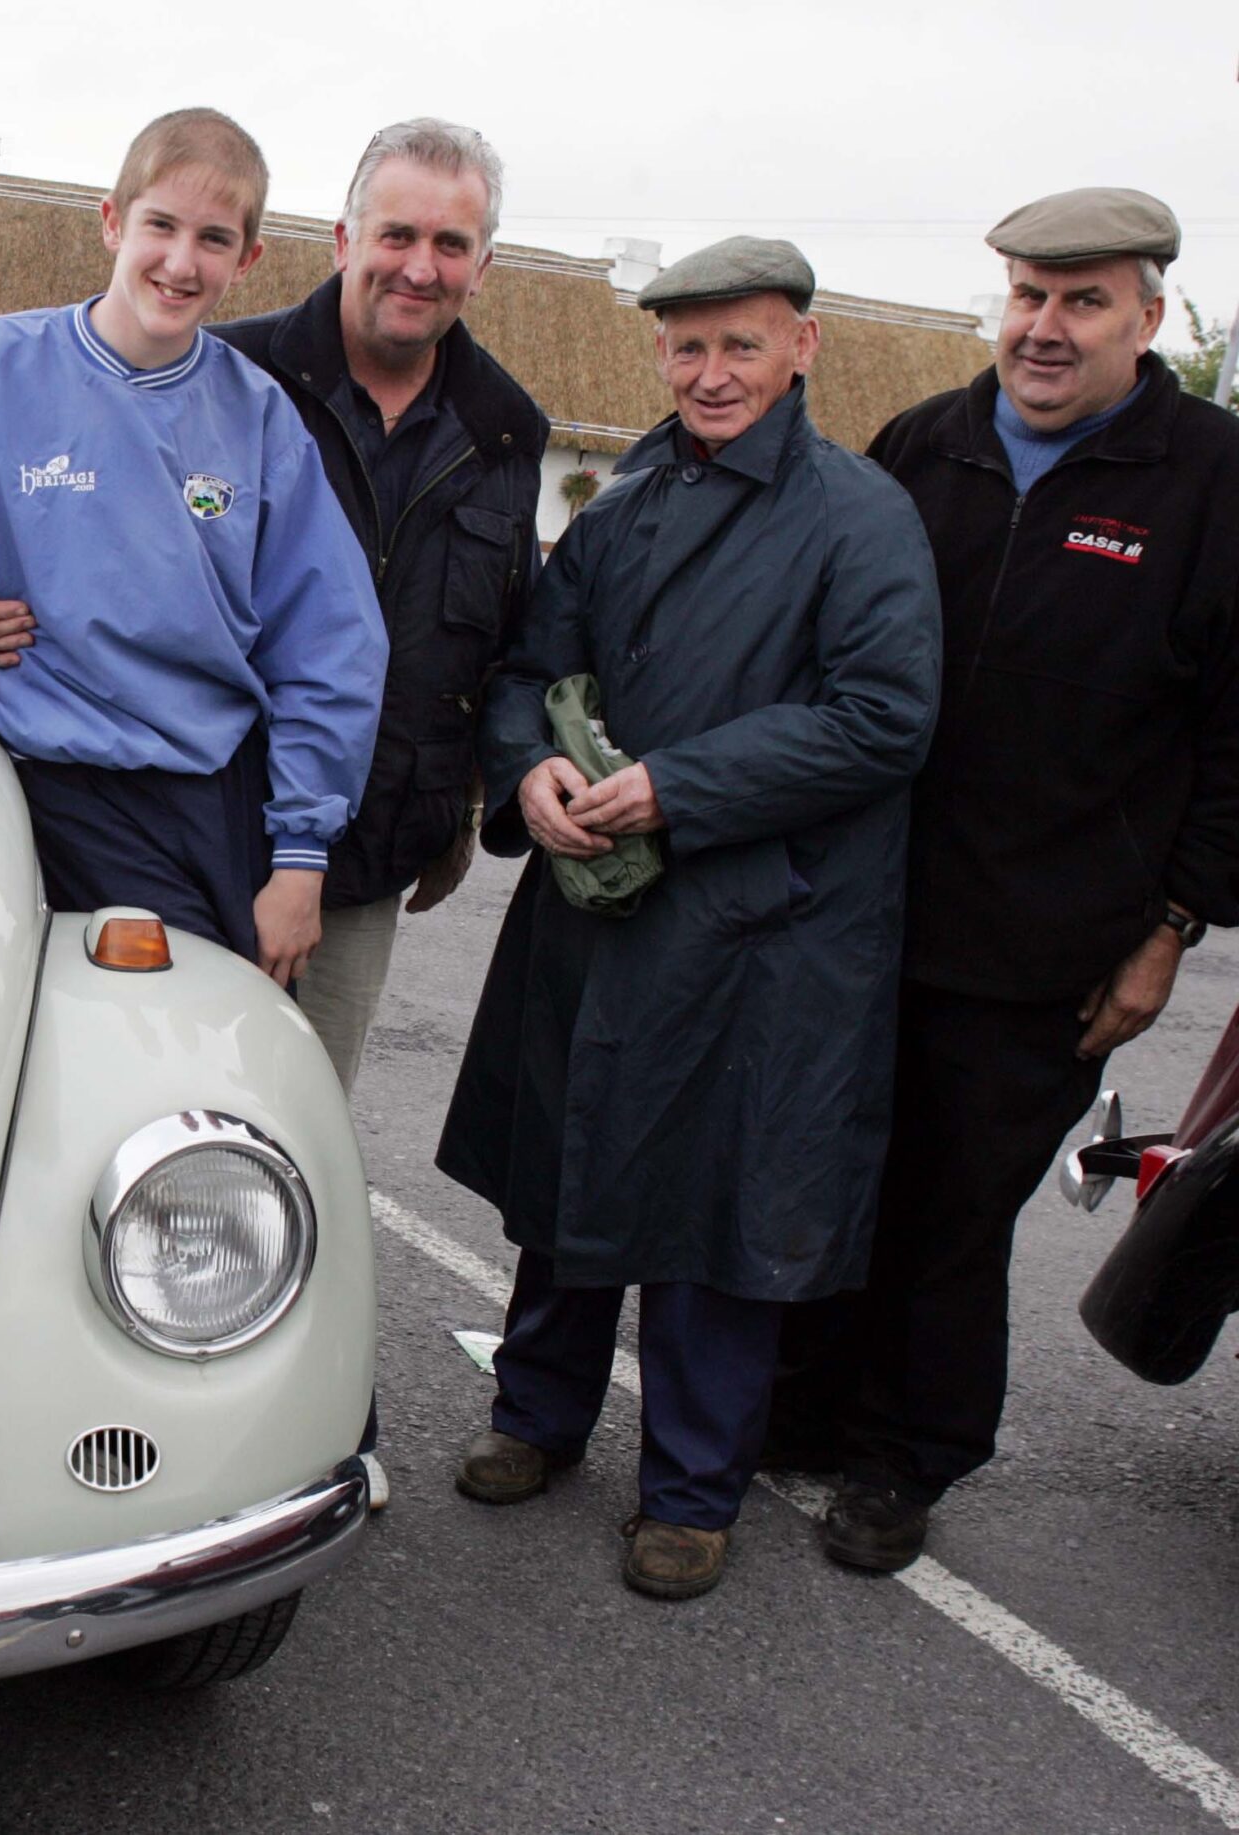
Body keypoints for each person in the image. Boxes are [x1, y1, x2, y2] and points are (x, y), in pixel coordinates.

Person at [435, 238, 942, 1600]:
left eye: (742, 344)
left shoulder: (860, 513)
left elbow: (883, 717)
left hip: (754, 920)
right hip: (602, 896)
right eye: (689, 346)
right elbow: (536, 661)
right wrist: (526, 764)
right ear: (659, 354)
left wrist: (677, 786)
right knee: (571, 1169)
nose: (712, 372)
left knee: (716, 1205)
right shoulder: (630, 494)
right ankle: (536, 1416)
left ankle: (692, 1489)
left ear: (802, 350)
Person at [770, 189, 1239, 1572]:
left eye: (1082, 300)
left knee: (956, 1206)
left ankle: (909, 1455)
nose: (1043, 327)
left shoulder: (1213, 481)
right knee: (831, 1169)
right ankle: (795, 1412)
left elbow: (1232, 740)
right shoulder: (929, 441)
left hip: (1051, 941)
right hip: (865, 907)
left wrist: (1168, 932)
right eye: (1028, 295)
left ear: (1147, 318)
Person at [0, 118, 547, 1091]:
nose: (419, 267)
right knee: (144, 1093)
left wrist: (460, 801)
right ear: (345, 239)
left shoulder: (507, 429)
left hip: (356, 864)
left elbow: (500, 641)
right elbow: (37, 505)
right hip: (204, 826)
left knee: (292, 1125)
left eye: (450, 245)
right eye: (396, 234)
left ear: (482, 264)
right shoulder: (223, 375)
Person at [0, 108, 386, 987]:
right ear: (113, 221)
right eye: (160, 224)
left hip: (199, 813)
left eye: (213, 238)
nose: (180, 261)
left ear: (249, 259)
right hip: (17, 790)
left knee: (182, 1084)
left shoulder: (261, 419)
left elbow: (331, 646)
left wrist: (301, 857)